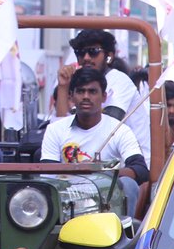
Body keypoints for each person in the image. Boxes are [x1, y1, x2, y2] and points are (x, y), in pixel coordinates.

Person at [41, 67, 148, 215]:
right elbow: (48, 172)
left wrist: (102, 173)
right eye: (80, 91)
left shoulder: (119, 130)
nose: (86, 96)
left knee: (129, 184)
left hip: (107, 201)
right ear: (71, 96)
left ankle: (124, 234)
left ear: (104, 97)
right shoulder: (55, 129)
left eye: (92, 92)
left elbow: (141, 170)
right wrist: (80, 171)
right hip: (66, 197)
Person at [57, 29, 150, 164]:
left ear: (109, 56)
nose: (86, 58)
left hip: (131, 165)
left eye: (93, 51)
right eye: (81, 53)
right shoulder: (79, 82)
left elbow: (107, 127)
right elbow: (62, 126)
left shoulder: (119, 80)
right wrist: (63, 86)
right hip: (94, 162)